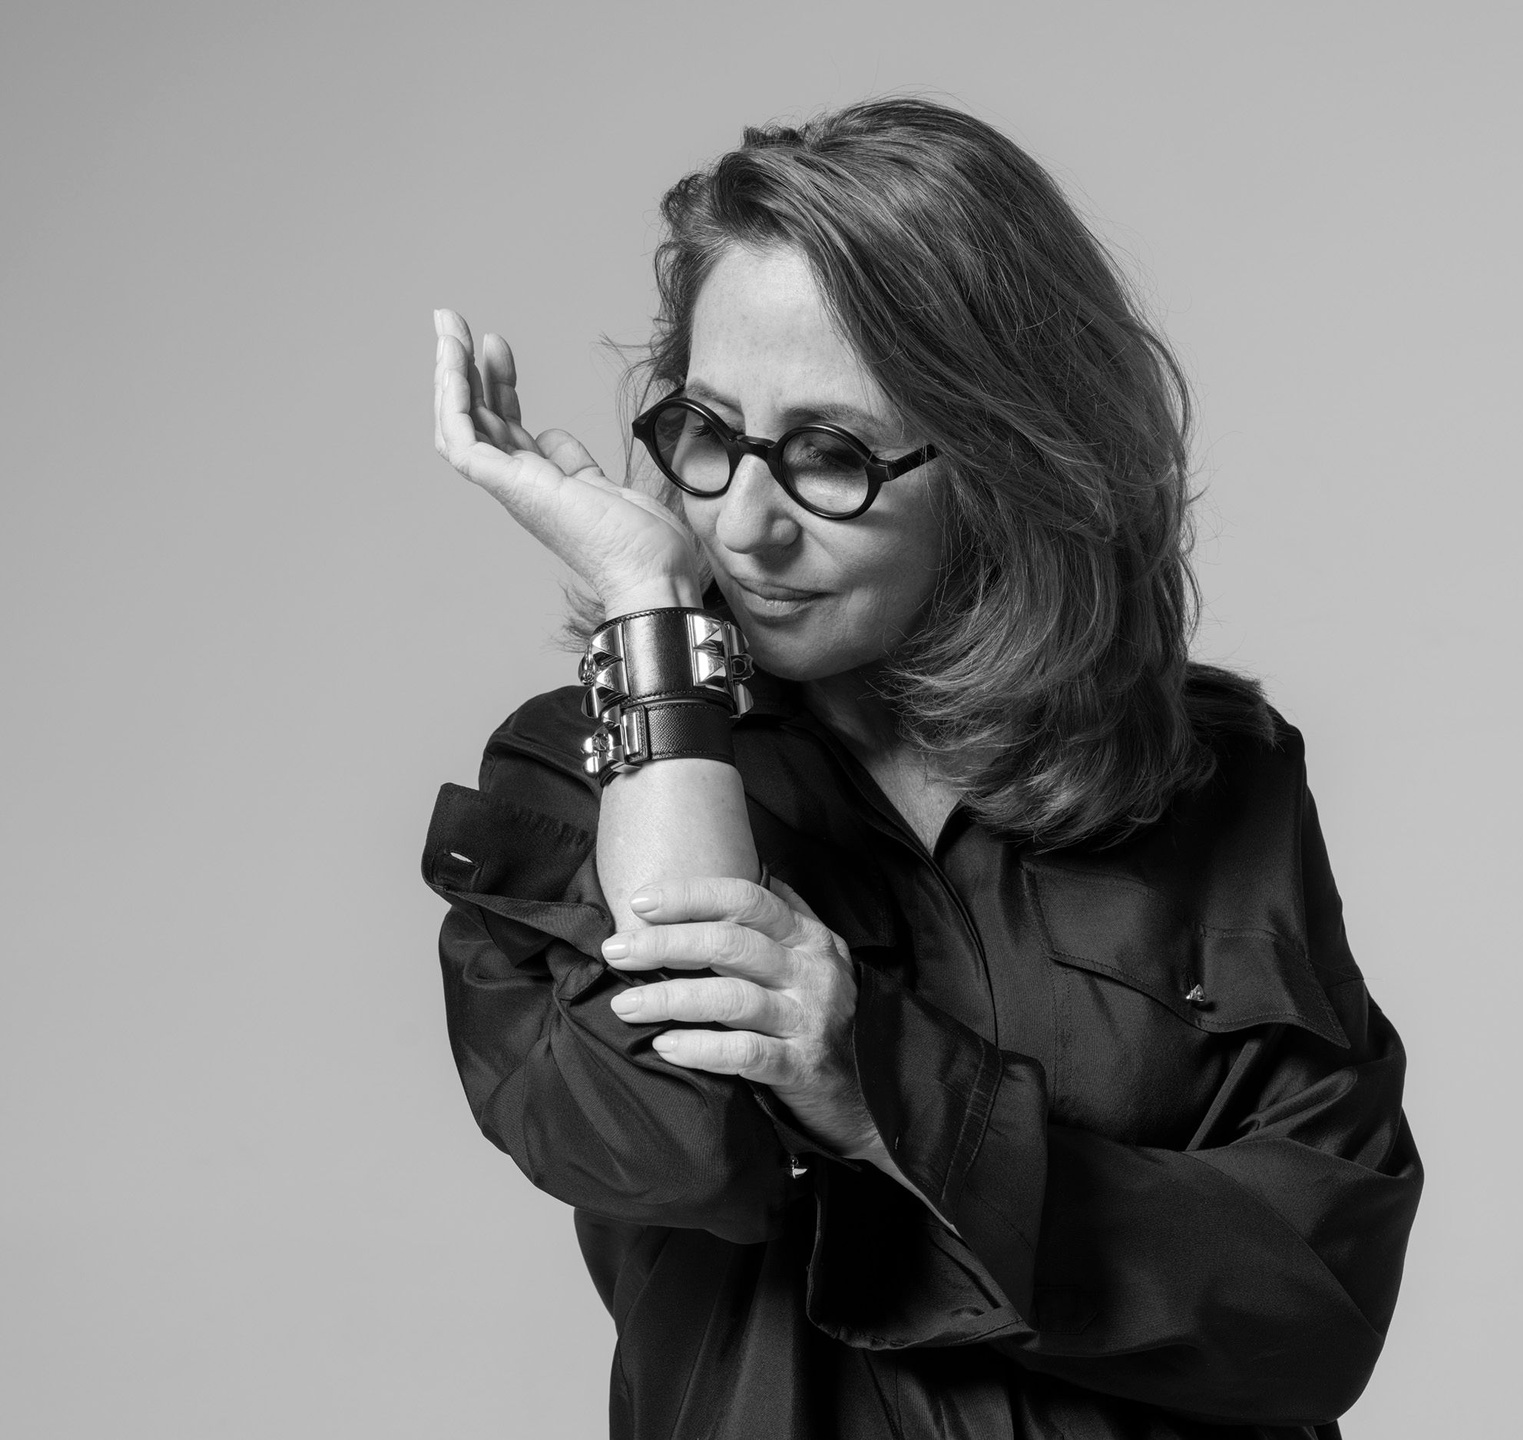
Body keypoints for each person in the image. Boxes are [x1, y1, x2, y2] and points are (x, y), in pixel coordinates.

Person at [422, 98, 1420, 1440]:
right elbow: (664, 1141)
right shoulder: (589, 769)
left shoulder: (1209, 779)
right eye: (708, 431)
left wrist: (877, 1081)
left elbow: (1310, 1304)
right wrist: (651, 623)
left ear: (1007, 455)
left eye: (830, 453)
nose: (743, 521)